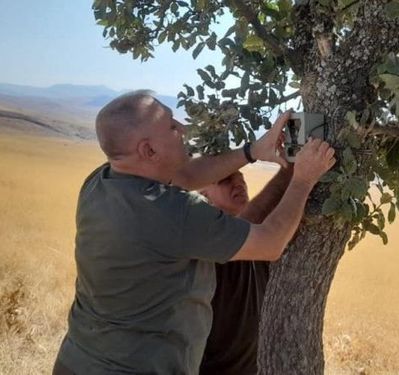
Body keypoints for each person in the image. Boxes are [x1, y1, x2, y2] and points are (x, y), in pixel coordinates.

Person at [53, 91, 335, 375]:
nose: (182, 129)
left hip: (75, 361)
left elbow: (186, 176)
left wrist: (253, 151)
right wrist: (302, 178)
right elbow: (271, 242)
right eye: (172, 127)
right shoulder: (170, 213)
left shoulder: (101, 182)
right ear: (148, 151)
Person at [197, 168, 292, 374]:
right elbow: (254, 217)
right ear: (204, 197)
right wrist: (294, 171)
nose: (238, 182)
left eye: (240, 176)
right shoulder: (206, 243)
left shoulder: (260, 245)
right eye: (225, 178)